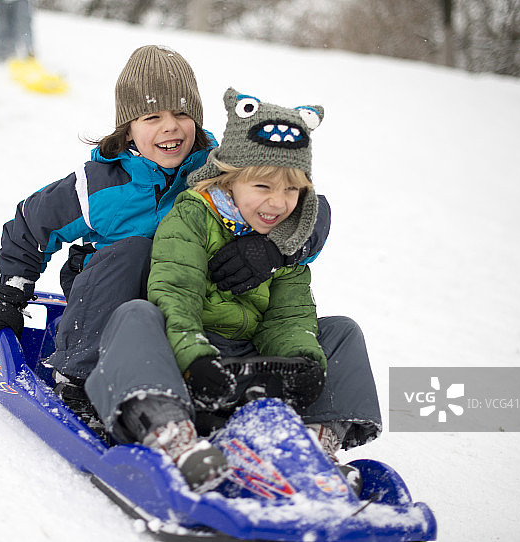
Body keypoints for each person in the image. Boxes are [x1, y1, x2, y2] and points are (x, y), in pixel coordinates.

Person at [0, 46, 332, 490]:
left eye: (181, 113)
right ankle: (79, 376)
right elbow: (29, 224)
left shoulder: (219, 170)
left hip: (184, 308)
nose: (169, 127)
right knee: (135, 251)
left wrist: (273, 247)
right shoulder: (99, 187)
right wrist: (10, 294)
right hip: (110, 300)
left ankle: (193, 386)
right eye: (151, 117)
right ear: (127, 128)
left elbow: (308, 206)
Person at [83, 89, 383, 493]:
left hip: (245, 367)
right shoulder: (191, 216)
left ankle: (314, 447)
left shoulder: (286, 237)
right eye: (263, 186)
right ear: (230, 178)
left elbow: (289, 316)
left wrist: (301, 361)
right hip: (186, 359)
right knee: (136, 316)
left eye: (292, 191)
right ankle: (173, 435)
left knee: (341, 332)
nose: (279, 203)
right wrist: (194, 358)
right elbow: (175, 295)